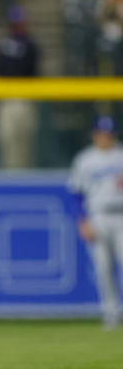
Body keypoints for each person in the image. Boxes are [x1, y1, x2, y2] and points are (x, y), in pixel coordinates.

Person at [68, 115, 123, 329]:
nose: (105, 138)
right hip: (98, 216)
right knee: (103, 268)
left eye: (108, 134)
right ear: (94, 135)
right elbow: (76, 194)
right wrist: (82, 221)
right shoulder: (84, 159)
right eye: (101, 134)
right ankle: (111, 313)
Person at [0, 6, 40, 169]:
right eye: (14, 22)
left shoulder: (30, 45)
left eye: (19, 22)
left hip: (24, 97)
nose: (17, 25)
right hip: (5, 97)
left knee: (25, 140)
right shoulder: (2, 44)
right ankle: (8, 174)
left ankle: (26, 175)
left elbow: (33, 70)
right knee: (6, 139)